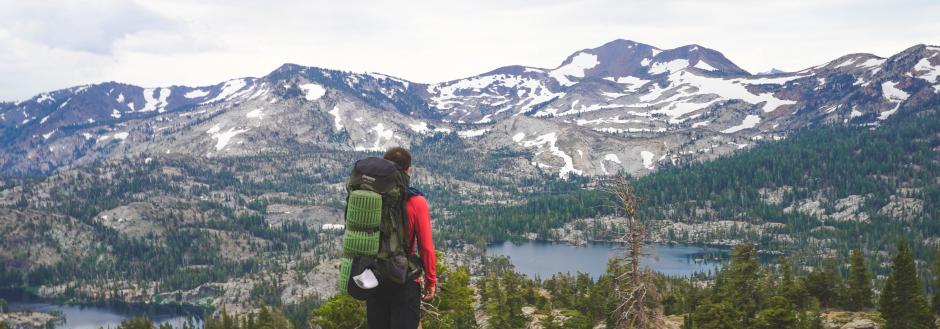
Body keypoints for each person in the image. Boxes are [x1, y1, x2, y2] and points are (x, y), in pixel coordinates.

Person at [366, 147, 438, 329]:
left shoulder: (372, 197)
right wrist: (431, 280)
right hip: (405, 280)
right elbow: (426, 247)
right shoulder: (416, 201)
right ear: (409, 170)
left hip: (375, 279)